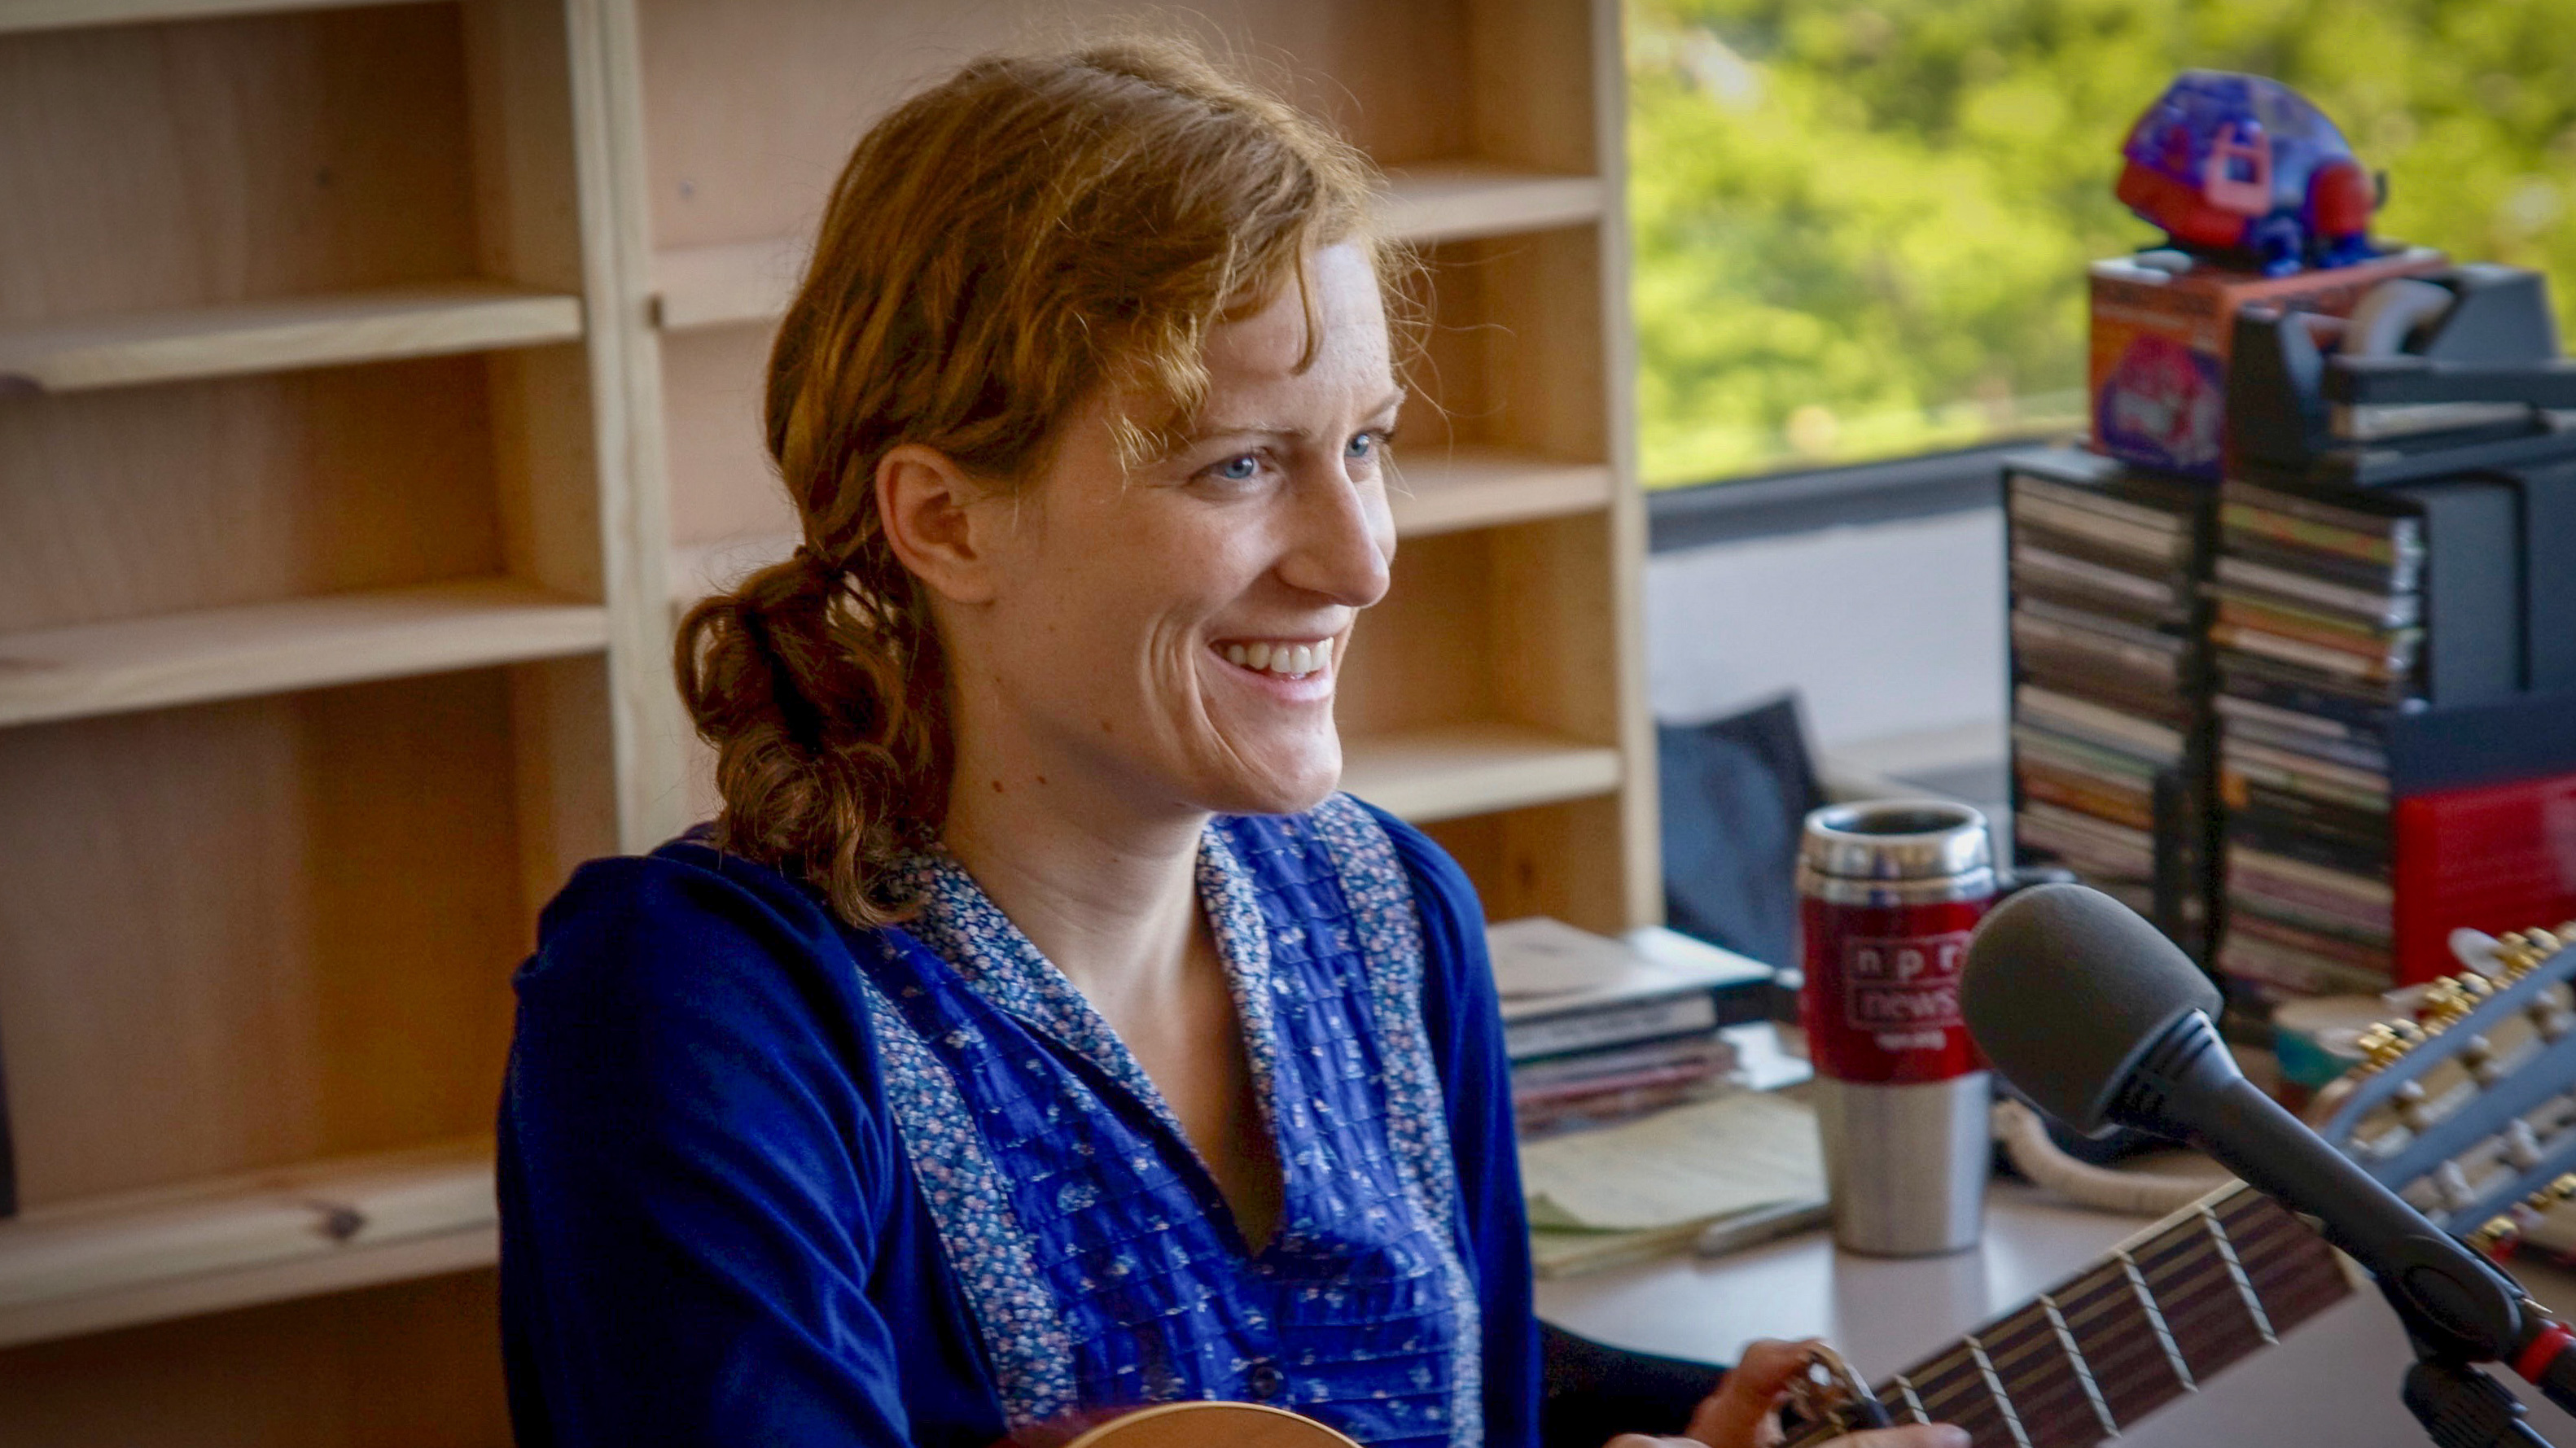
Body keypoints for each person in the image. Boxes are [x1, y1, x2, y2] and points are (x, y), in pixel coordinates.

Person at [495, 37, 1967, 1448]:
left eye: (1367, 445)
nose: (1360, 561)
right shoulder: (693, 1016)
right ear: (944, 519)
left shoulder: (1389, 915)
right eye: (1244, 463)